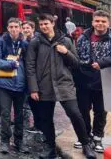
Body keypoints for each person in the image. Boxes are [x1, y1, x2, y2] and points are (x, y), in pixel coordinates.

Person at [27, 14, 96, 159]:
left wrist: (66, 53)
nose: (44, 26)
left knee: (75, 114)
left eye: (46, 23)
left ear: (53, 23)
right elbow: (30, 66)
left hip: (64, 84)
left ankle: (85, 144)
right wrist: (33, 88)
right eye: (41, 24)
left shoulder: (65, 40)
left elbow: (76, 63)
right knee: (46, 119)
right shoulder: (35, 42)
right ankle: (50, 148)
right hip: (43, 86)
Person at [74, 10, 111, 153]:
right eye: (97, 21)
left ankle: (97, 137)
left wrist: (102, 62)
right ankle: (84, 137)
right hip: (84, 78)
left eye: (103, 21)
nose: (100, 24)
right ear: (93, 22)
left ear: (108, 23)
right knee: (83, 109)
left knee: (100, 111)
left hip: (105, 78)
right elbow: (76, 55)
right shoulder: (83, 37)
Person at [0, 17, 28, 155]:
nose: (13, 29)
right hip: (4, 84)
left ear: (20, 28)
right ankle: (5, 141)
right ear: (8, 28)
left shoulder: (24, 44)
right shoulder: (0, 42)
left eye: (16, 27)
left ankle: (19, 141)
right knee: (5, 114)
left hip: (20, 84)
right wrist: (10, 65)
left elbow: (29, 64)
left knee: (20, 115)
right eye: (11, 27)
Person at [21, 20, 41, 134]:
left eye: (28, 28)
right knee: (27, 99)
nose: (26, 30)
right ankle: (28, 122)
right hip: (25, 73)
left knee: (36, 100)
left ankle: (39, 124)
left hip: (35, 74)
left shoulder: (37, 41)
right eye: (24, 28)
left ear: (33, 29)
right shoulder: (23, 40)